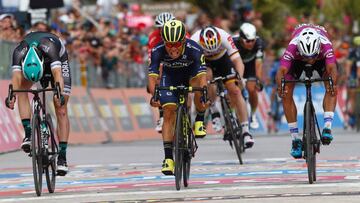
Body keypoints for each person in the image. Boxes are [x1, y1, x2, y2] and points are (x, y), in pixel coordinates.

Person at [5, 30, 72, 176]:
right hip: (32, 63)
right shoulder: (18, 52)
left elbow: (58, 75)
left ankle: (62, 156)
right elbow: (16, 78)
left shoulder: (52, 48)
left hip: (57, 62)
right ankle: (28, 134)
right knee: (22, 90)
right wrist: (12, 96)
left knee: (61, 108)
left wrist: (59, 94)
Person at [148, 20, 208, 175]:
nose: (173, 48)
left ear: (183, 40)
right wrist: (155, 94)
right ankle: (168, 159)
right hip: (170, 77)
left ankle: (200, 119)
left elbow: (202, 77)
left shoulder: (194, 49)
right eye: (169, 44)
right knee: (168, 112)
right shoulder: (157, 50)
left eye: (177, 44)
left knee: (200, 90)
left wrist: (203, 93)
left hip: (191, 75)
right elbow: (153, 77)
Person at [276, 24, 338, 159]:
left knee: (332, 85)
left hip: (321, 61)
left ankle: (327, 127)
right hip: (297, 62)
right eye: (307, 57)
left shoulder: (325, 44)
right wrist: (280, 88)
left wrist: (332, 84)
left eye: (312, 56)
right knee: (286, 92)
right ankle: (295, 140)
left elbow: (332, 68)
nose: (309, 60)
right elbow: (281, 70)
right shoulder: (293, 46)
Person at [191, 25, 254, 148]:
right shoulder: (194, 41)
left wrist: (239, 78)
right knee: (207, 80)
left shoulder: (225, 36)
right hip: (205, 62)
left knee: (235, 91)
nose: (212, 51)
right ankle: (214, 110)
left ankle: (246, 131)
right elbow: (194, 68)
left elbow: (238, 61)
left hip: (223, 60)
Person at [233, 22, 265, 129]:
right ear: (241, 39)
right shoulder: (233, 42)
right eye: (248, 41)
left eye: (253, 40)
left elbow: (259, 63)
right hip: (237, 65)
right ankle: (232, 114)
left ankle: (253, 114)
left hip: (251, 66)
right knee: (234, 88)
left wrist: (258, 79)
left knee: (252, 88)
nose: (251, 43)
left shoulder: (259, 43)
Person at [148, 12, 175, 133]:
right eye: (161, 28)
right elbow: (153, 60)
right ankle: (162, 115)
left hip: (180, 61)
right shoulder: (154, 37)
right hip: (163, 62)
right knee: (156, 81)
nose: (164, 31)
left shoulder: (182, 32)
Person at [345, 36, 360, 128]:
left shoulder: (352, 50)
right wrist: (349, 76)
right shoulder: (353, 51)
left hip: (355, 72)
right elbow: (348, 65)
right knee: (352, 93)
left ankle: (352, 116)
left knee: (352, 94)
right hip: (354, 73)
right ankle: (352, 116)